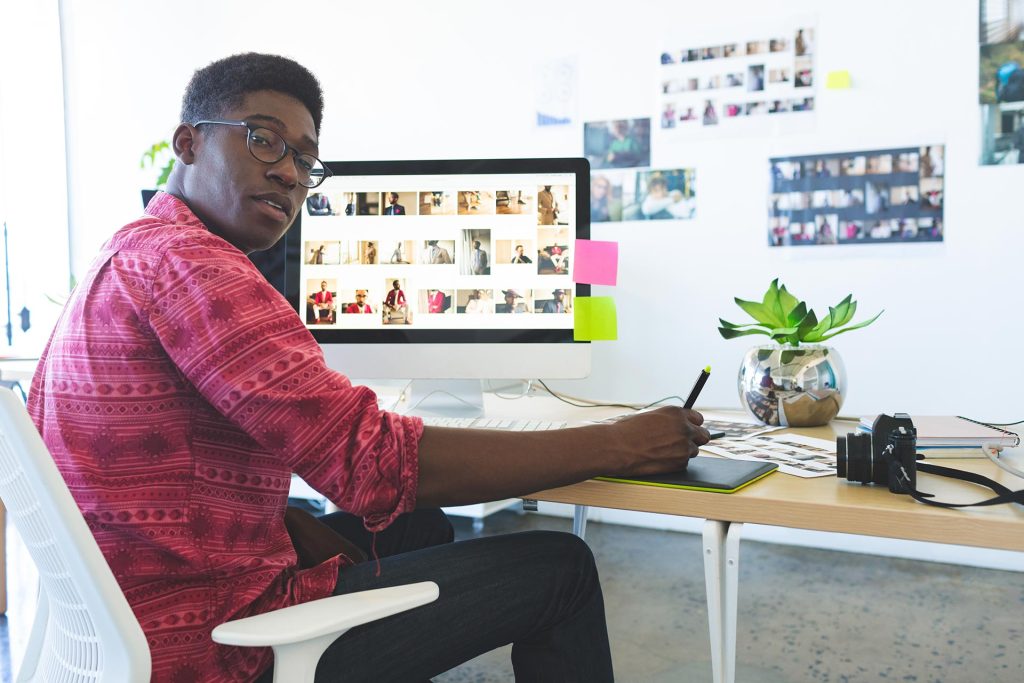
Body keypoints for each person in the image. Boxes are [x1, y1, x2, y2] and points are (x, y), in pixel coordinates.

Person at [27, 52, 709, 683]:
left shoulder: (133, 251)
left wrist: (291, 526)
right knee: (561, 567)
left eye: (306, 160)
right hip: (214, 643)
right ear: (189, 143)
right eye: (264, 140)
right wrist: (622, 443)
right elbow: (372, 465)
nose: (290, 174)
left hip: (124, 621)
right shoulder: (198, 268)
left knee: (419, 527)